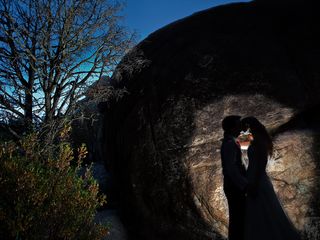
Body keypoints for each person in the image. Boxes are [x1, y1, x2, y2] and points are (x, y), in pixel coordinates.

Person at [240, 116, 301, 240]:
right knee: (258, 209)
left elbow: (262, 163)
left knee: (264, 208)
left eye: (244, 127)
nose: (242, 129)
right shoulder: (254, 138)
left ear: (249, 126)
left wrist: (256, 182)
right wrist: (243, 132)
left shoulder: (260, 140)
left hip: (257, 177)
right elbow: (241, 146)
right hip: (252, 175)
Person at [220, 115, 248, 240]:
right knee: (238, 218)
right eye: (238, 125)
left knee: (238, 217)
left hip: (233, 185)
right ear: (232, 128)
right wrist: (244, 185)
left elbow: (246, 146)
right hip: (234, 186)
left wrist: (247, 131)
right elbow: (231, 169)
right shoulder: (229, 144)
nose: (240, 127)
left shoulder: (231, 140)